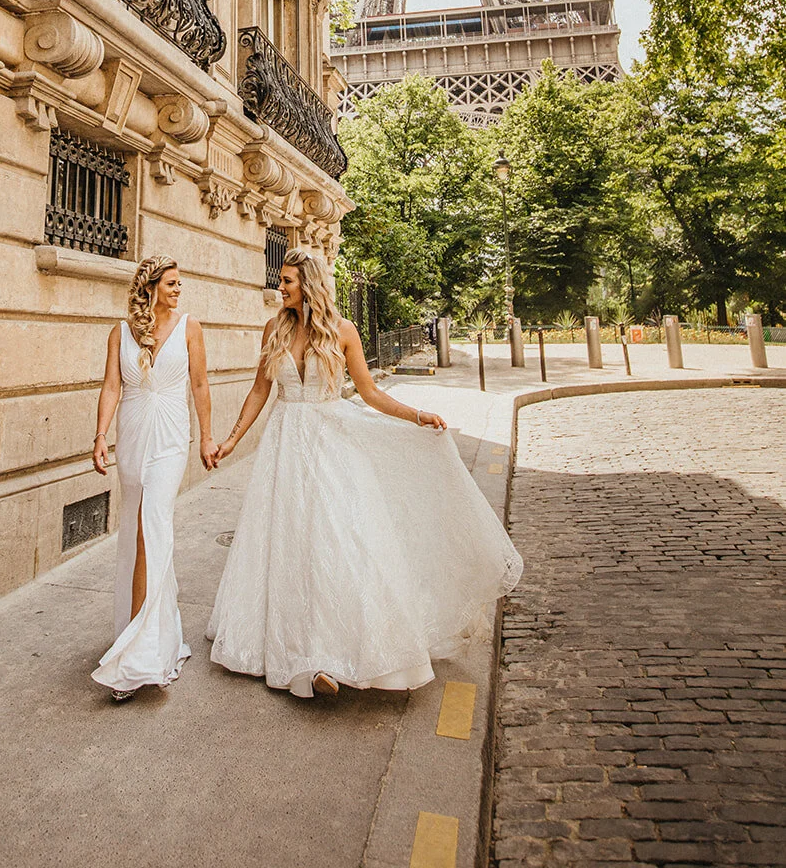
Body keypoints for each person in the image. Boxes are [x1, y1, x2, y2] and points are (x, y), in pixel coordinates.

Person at [207, 248, 522, 698]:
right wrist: (233, 439)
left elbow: (370, 394)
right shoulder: (274, 328)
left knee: (337, 541)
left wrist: (416, 415)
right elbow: (261, 389)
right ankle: (297, 651)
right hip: (284, 447)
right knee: (289, 543)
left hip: (330, 443)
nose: (280, 287)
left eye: (288, 281)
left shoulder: (342, 331)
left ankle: (332, 654)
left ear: (309, 285)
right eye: (281, 280)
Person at [91, 255, 215, 701]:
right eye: (172, 283)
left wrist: (206, 438)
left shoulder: (190, 329)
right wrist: (101, 435)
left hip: (169, 441)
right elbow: (111, 386)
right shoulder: (120, 333)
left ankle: (141, 655)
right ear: (151, 287)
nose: (179, 290)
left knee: (153, 527)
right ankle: (142, 633)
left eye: (180, 283)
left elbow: (199, 386)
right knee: (136, 535)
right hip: (132, 439)